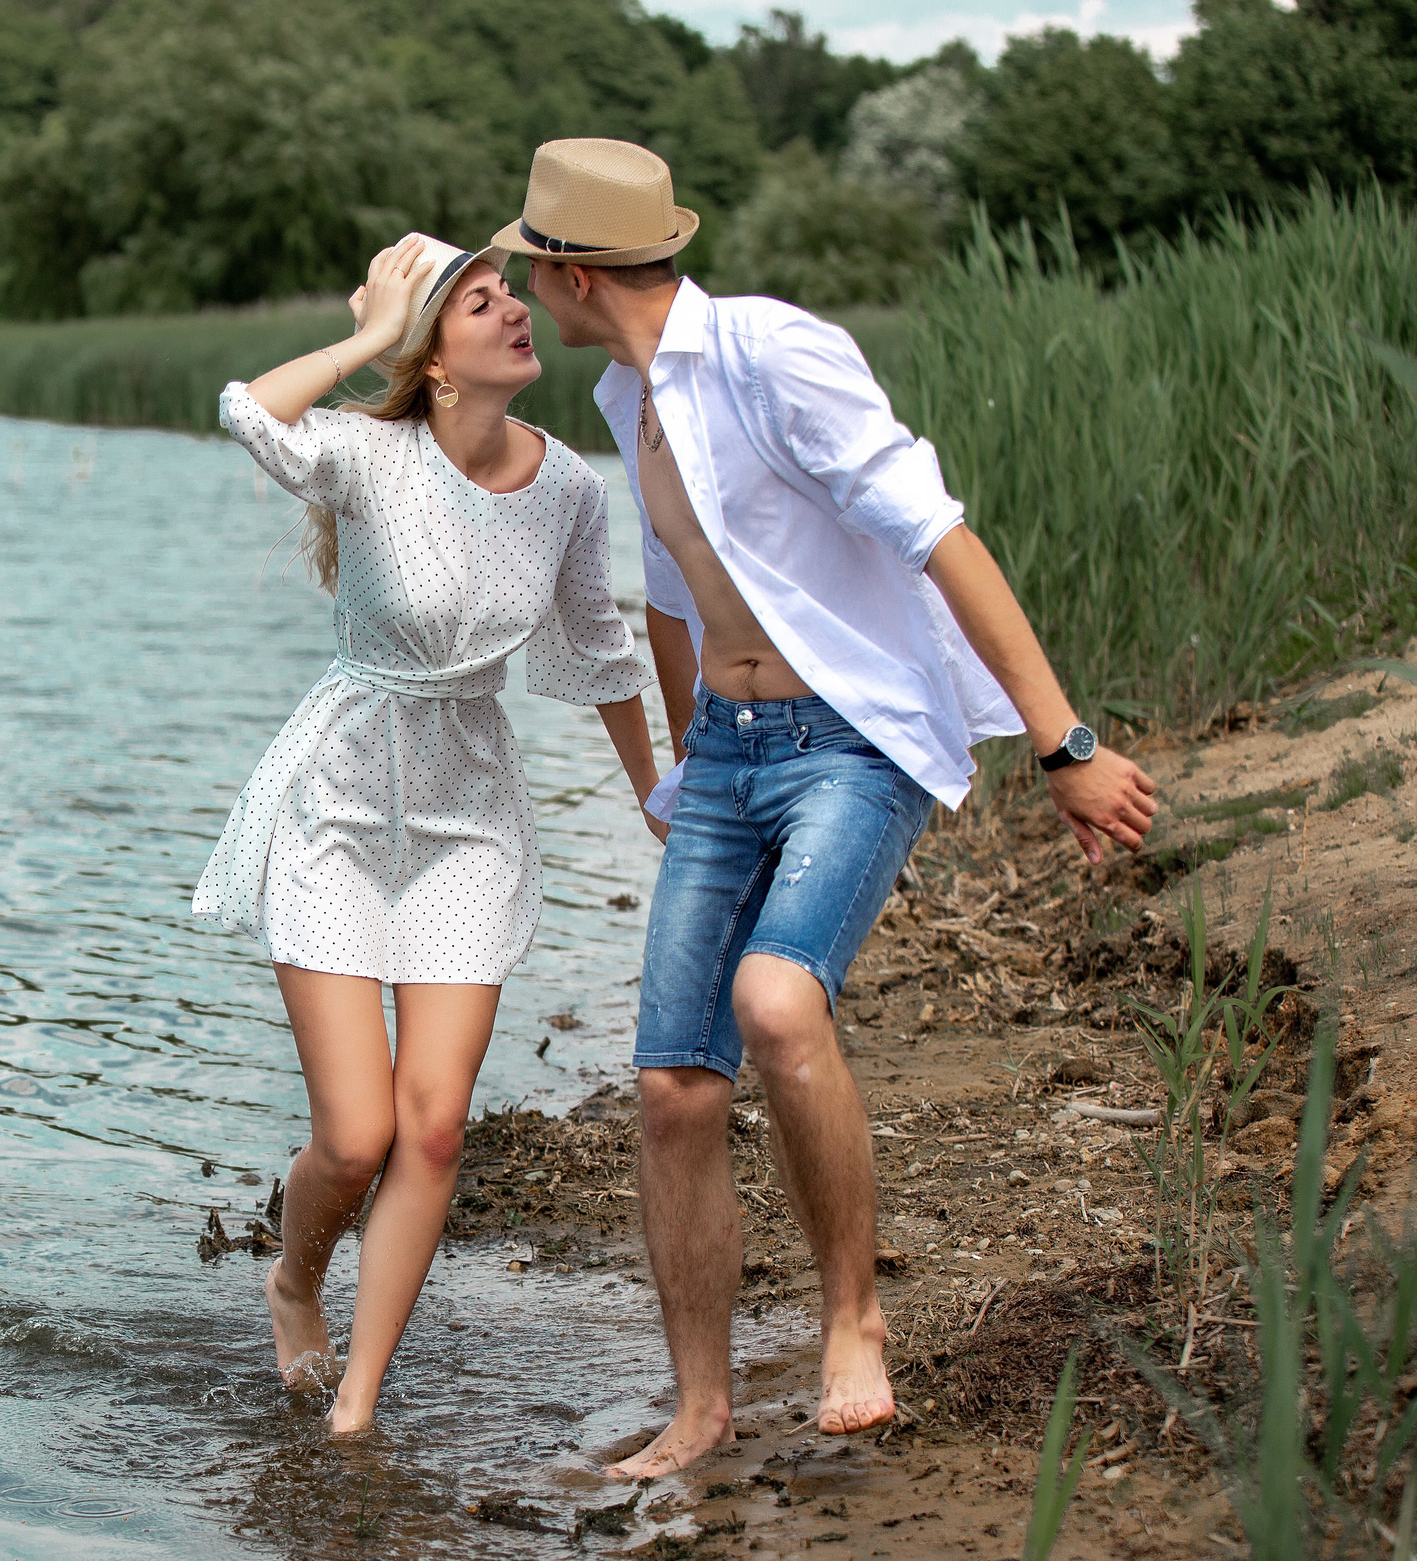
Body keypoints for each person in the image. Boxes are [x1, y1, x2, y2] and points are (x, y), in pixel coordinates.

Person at [487, 138, 1159, 1475]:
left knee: (779, 1000)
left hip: (852, 736)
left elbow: (938, 532)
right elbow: (680, 592)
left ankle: (854, 1315)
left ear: (571, 272)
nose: (520, 286)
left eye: (527, 263)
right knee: (675, 1087)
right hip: (730, 753)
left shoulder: (770, 353)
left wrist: (1063, 739)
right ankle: (701, 1407)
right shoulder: (629, 395)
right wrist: (687, 770)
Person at [196, 232, 664, 1434]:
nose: (514, 310)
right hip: (340, 811)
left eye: (512, 294)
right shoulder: (366, 454)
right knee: (354, 1139)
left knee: (436, 1125)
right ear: (434, 356)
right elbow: (247, 411)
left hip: (469, 818)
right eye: (479, 301)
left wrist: (653, 790)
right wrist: (367, 335)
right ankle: (295, 1280)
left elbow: (601, 650)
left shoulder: (566, 486)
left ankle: (357, 1404)